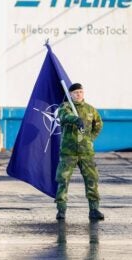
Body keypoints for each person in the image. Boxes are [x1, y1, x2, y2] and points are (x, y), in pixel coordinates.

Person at [55, 83, 104, 220]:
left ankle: (94, 210)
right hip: (68, 152)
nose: (79, 94)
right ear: (70, 94)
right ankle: (61, 210)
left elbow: (98, 124)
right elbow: (64, 116)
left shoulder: (90, 109)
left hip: (86, 152)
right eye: (76, 92)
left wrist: (90, 139)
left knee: (92, 179)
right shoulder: (65, 107)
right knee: (63, 180)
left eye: (81, 92)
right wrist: (76, 119)